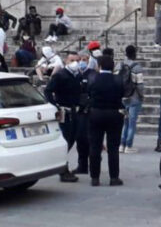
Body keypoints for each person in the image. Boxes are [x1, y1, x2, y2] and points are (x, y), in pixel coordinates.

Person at [87, 54, 126, 187]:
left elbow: (88, 93)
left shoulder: (93, 78)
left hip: (96, 113)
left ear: (99, 66)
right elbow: (123, 93)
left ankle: (94, 177)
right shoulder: (118, 79)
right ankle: (114, 177)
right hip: (114, 113)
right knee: (113, 147)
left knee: (94, 146)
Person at [45, 54, 85, 182]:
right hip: (64, 111)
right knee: (65, 139)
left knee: (73, 137)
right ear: (66, 61)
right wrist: (55, 106)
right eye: (72, 60)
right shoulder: (60, 75)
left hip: (75, 111)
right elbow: (48, 90)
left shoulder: (78, 75)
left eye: (77, 60)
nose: (75, 63)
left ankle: (60, 164)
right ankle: (63, 169)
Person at [118, 45, 146, 154]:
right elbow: (140, 85)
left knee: (124, 122)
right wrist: (141, 95)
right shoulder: (137, 67)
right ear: (135, 53)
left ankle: (121, 144)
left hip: (122, 97)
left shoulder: (119, 65)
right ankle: (129, 146)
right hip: (134, 97)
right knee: (131, 123)